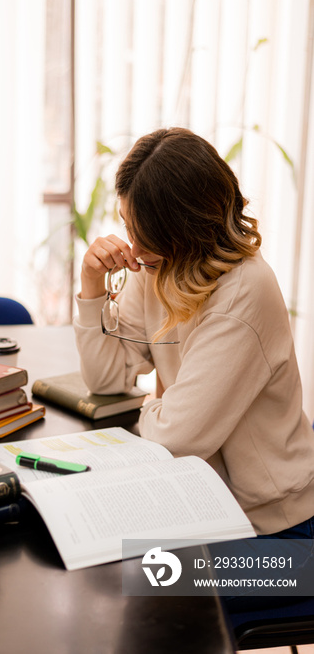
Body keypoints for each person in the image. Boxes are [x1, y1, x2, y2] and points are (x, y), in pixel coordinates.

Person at [74, 127, 314, 539]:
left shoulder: (243, 293)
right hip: (201, 504)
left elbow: (175, 441)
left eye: (145, 235)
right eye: (129, 227)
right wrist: (91, 285)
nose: (133, 247)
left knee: (144, 589)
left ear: (185, 231)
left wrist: (151, 406)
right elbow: (106, 378)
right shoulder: (158, 265)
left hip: (276, 530)